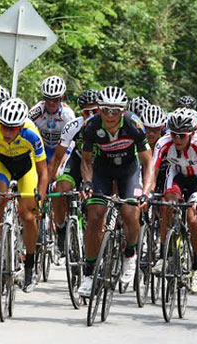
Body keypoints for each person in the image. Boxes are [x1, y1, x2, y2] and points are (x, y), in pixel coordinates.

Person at [78, 86, 154, 297]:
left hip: (129, 171)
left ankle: (130, 253)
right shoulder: (91, 126)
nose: (110, 116)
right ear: (99, 110)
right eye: (105, 110)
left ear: (123, 111)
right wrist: (86, 182)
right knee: (94, 214)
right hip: (103, 170)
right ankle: (89, 273)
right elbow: (86, 161)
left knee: (130, 212)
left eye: (115, 111)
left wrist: (146, 191)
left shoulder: (133, 125)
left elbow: (148, 163)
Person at [0, 98, 48, 292]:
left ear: (21, 127)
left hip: (25, 167)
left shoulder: (32, 135)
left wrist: (41, 198)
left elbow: (43, 172)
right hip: (1, 163)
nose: (7, 132)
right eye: (4, 127)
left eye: (13, 128)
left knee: (27, 215)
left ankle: (29, 266)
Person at [153, 107, 197, 293]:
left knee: (194, 219)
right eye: (174, 134)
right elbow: (153, 171)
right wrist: (147, 192)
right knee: (166, 204)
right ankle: (164, 254)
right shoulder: (163, 143)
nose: (177, 139)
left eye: (182, 136)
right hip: (176, 177)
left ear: (192, 134)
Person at [48, 90, 99, 255]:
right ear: (81, 112)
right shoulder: (74, 126)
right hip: (78, 162)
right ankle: (62, 229)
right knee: (61, 188)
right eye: (86, 112)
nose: (90, 115)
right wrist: (46, 182)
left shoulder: (107, 127)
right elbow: (57, 158)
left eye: (95, 111)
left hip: (100, 165)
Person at [29, 76, 75, 163]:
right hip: (42, 148)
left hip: (61, 148)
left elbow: (73, 141)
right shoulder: (35, 112)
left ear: (62, 98)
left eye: (56, 99)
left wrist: (61, 163)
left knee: (59, 174)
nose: (51, 103)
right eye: (47, 99)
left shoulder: (68, 115)